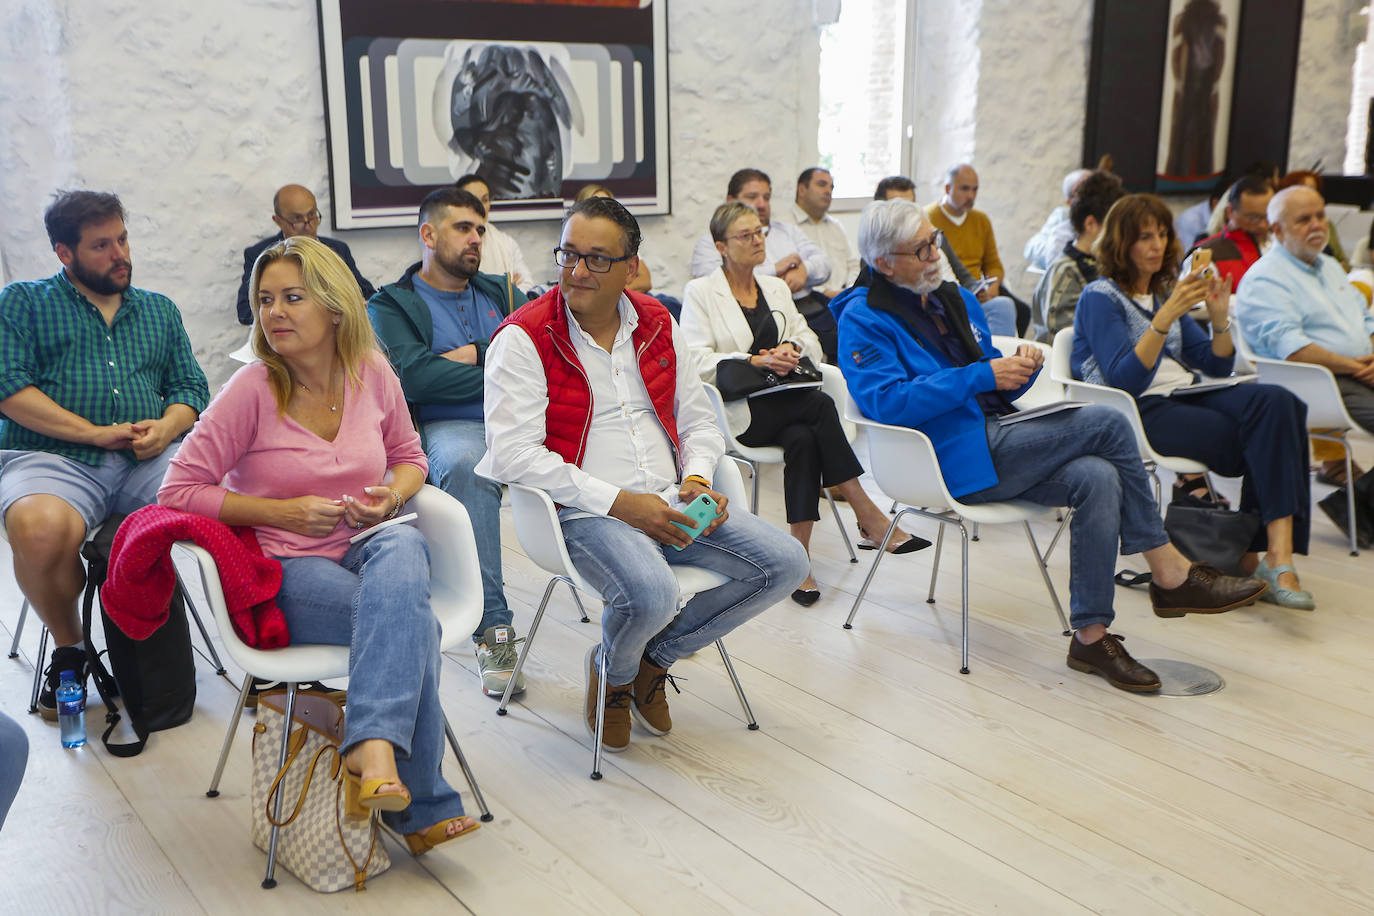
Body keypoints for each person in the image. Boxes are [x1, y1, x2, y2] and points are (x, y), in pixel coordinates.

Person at [832, 198, 1267, 692]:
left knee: (1098, 476)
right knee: (1106, 420)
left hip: (992, 438)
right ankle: (1168, 569)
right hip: (943, 458)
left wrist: (1015, 375)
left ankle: (1090, 635)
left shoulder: (952, 298)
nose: (936, 254)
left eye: (935, 241)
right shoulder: (862, 317)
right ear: (884, 262)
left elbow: (987, 386)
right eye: (921, 248)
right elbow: (886, 402)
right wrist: (982, 374)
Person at [159, 236, 479, 854]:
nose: (273, 312)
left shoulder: (372, 371)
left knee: (406, 550)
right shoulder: (251, 389)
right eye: (265, 300)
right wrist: (281, 511)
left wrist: (390, 496)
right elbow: (177, 491)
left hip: (369, 543)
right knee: (411, 622)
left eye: (292, 298)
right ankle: (416, 800)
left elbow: (410, 459)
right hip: (285, 564)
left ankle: (371, 748)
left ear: (334, 308)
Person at [481, 197, 809, 751]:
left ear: (631, 267)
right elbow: (513, 454)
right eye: (568, 255)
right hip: (582, 512)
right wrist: (620, 503)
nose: (577, 271)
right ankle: (615, 676)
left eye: (597, 259)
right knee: (652, 594)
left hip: (672, 498)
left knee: (786, 563)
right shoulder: (523, 338)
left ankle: (649, 660)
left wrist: (699, 478)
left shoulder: (658, 321)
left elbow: (698, 419)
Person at [0, 190, 210, 719]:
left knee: (233, 503)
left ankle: (265, 648)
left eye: (122, 239)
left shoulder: (158, 310)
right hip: (55, 457)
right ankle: (71, 648)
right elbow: (9, 389)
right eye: (101, 245)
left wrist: (167, 428)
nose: (120, 254)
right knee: (39, 530)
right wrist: (93, 434)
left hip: (150, 457)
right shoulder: (23, 303)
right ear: (64, 253)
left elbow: (190, 388)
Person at [1072, 193, 1314, 609]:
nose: (1158, 245)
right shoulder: (1100, 296)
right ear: (1120, 243)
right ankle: (1253, 557)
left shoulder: (1167, 291)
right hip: (1140, 410)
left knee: (1281, 404)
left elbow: (1215, 366)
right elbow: (1124, 378)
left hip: (1189, 393)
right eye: (1145, 236)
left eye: (1163, 234)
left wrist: (1219, 318)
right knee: (1269, 436)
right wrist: (1164, 319)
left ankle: (1278, 554)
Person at [680, 202, 928, 606]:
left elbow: (809, 339)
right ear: (721, 246)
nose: (759, 240)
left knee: (803, 438)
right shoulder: (701, 292)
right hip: (738, 412)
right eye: (746, 235)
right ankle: (869, 514)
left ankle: (800, 563)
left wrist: (789, 350)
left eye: (760, 232)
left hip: (787, 401)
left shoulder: (776, 288)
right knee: (818, 408)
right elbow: (693, 359)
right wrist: (755, 360)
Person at [367, 187, 525, 698]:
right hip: (452, 426)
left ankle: (645, 603)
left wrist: (471, 354)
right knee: (463, 464)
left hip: (525, 422)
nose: (476, 238)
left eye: (480, 229)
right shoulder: (391, 304)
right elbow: (412, 379)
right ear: (428, 235)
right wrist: (496, 357)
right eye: (463, 228)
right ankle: (493, 630)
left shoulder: (501, 292)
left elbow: (540, 357)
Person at [1236, 185, 1374, 493]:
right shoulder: (1266, 278)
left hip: (1356, 372)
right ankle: (1358, 494)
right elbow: (1293, 350)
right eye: (1304, 219)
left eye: (1321, 216)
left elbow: (1365, 318)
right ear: (1277, 229)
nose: (1316, 225)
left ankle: (1362, 498)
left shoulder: (1329, 266)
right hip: (1318, 381)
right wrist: (1354, 367)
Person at [689, 169, 836, 359]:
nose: (761, 204)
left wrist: (803, 272)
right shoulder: (709, 250)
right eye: (745, 236)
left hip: (805, 306)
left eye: (766, 197)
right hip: (743, 378)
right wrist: (775, 269)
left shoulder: (787, 233)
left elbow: (823, 262)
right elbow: (712, 277)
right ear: (730, 199)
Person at [875, 176, 1017, 337]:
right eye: (898, 207)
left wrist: (976, 291)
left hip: (957, 299)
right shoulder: (882, 253)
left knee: (1005, 305)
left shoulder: (932, 232)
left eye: (911, 205)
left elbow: (963, 273)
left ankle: (1003, 357)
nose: (935, 256)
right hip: (932, 308)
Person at [235, 184, 373, 325]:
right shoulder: (260, 255)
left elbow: (368, 295)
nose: (308, 226)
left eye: (312, 215)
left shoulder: (338, 249)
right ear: (278, 221)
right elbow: (245, 311)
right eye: (297, 219)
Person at [925, 164, 1032, 336]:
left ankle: (1004, 352)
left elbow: (993, 264)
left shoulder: (981, 220)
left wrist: (993, 286)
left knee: (1023, 311)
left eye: (975, 190)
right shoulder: (929, 218)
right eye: (965, 189)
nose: (971, 196)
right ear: (947, 188)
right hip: (952, 286)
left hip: (980, 286)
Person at [1032, 169, 1125, 340]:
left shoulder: (1108, 264)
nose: (1121, 233)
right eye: (1115, 225)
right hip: (1066, 364)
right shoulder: (1066, 273)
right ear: (1090, 224)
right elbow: (1067, 340)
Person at [1192, 174, 1274, 291]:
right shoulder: (1206, 253)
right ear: (1230, 211)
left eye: (1268, 216)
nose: (1263, 224)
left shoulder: (1284, 245)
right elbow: (1196, 304)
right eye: (1253, 218)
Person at [455, 173, 536, 291]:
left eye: (485, 200)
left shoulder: (506, 242)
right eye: (474, 200)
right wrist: (506, 290)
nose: (481, 207)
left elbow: (527, 284)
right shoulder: (452, 243)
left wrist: (508, 295)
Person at [789, 167, 860, 296]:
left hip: (844, 297)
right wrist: (826, 294)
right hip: (808, 303)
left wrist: (850, 290)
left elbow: (853, 265)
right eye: (822, 185)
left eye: (831, 187)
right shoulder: (786, 226)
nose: (828, 191)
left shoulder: (836, 226)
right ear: (801, 190)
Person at [1277, 171, 1348, 270]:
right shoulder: (1281, 226)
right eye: (1305, 191)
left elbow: (1344, 262)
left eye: (1314, 190)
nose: (1311, 196)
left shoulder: (1327, 224)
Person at [1023, 168, 1091, 270]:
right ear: (1069, 202)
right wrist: (1059, 251)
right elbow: (1031, 248)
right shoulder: (1063, 215)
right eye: (1081, 193)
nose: (1090, 199)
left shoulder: (1106, 217)